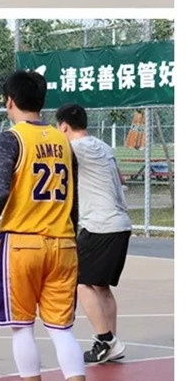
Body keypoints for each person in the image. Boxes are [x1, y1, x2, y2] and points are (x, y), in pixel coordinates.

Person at [0, 70, 95, 381]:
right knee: (61, 329)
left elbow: (0, 191)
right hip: (63, 242)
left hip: (22, 243)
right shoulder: (63, 140)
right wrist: (70, 235)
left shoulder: (10, 139)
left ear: (9, 101)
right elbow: (73, 198)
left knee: (22, 327)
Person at [56, 103, 131, 364]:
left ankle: (106, 340)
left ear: (63, 126)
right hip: (121, 224)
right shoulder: (104, 146)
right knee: (101, 286)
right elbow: (121, 179)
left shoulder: (73, 148)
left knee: (79, 282)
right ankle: (110, 343)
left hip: (100, 224)